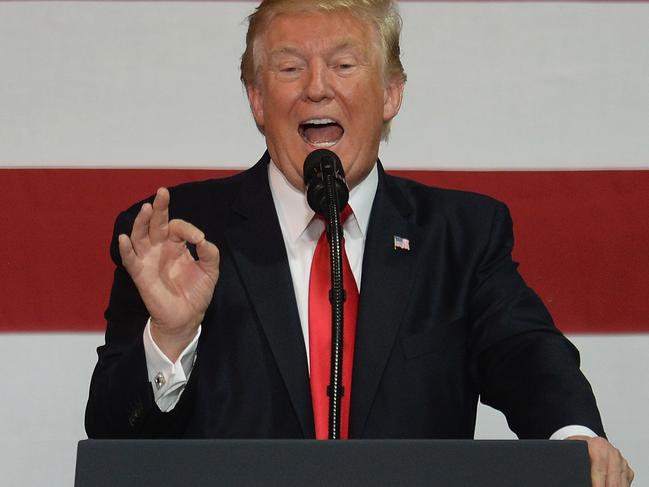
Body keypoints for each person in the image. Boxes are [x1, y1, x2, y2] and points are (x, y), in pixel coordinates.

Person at [85, 1, 633, 485]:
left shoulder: (460, 236)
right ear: (256, 98)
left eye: (344, 65)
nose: (316, 86)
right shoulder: (179, 235)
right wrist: (171, 337)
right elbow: (112, 438)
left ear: (392, 93)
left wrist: (573, 436)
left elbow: (525, 354)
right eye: (289, 67)